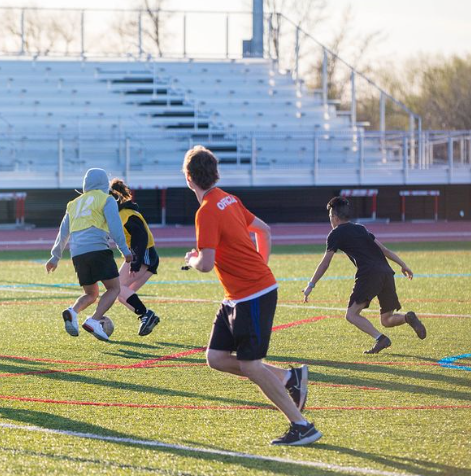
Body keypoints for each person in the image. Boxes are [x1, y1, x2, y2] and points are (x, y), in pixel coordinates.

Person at [182, 145, 320, 446]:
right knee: (216, 358)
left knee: (251, 365)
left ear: (189, 179)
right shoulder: (229, 199)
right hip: (239, 295)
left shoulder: (206, 211)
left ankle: (302, 426)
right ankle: (289, 378)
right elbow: (264, 231)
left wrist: (191, 259)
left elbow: (205, 265)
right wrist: (260, 267)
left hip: (251, 295)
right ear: (215, 174)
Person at [303, 196, 426, 354]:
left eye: (330, 217)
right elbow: (384, 250)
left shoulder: (335, 234)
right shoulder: (360, 228)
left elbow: (325, 263)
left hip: (369, 274)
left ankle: (381, 339)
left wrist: (311, 285)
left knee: (351, 315)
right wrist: (403, 265)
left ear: (334, 217)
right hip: (386, 272)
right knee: (386, 319)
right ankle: (407, 318)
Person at [46, 168, 134, 342]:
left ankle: (72, 311)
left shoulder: (73, 204)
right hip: (98, 249)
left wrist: (55, 257)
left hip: (77, 254)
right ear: (104, 184)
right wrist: (124, 250)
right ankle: (94, 320)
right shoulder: (106, 199)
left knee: (91, 294)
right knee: (114, 288)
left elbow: (63, 232)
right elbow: (115, 226)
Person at [109, 178, 160, 336]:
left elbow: (141, 237)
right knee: (122, 295)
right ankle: (146, 316)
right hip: (146, 256)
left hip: (144, 255)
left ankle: (146, 314)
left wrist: (136, 263)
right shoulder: (124, 213)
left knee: (116, 288)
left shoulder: (125, 215)